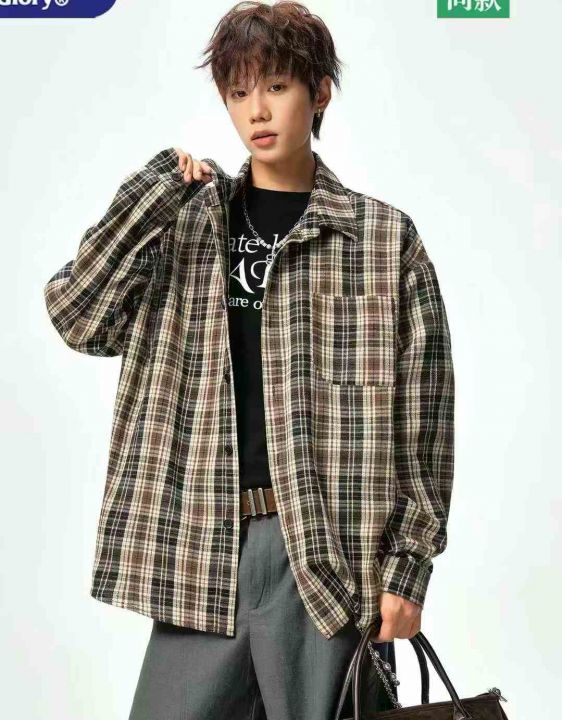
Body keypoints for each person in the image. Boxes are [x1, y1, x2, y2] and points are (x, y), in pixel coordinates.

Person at [43, 2, 455, 718]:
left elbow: (425, 419)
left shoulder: (383, 241)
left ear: (319, 92)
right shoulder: (185, 223)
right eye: (238, 92)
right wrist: (149, 198)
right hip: (202, 542)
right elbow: (77, 317)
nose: (257, 110)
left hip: (328, 552)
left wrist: (407, 568)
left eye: (277, 87)